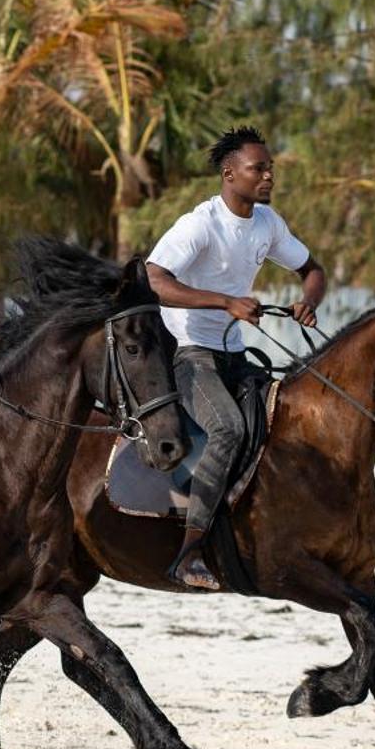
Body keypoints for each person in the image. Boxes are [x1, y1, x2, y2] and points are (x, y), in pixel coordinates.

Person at [146, 126, 326, 591]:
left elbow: (312, 269)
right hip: (190, 351)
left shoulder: (268, 223)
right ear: (230, 173)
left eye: (270, 168)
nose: (268, 176)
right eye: (258, 168)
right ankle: (189, 552)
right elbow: (155, 279)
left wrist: (309, 299)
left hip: (234, 352)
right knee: (227, 428)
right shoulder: (199, 224)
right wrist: (224, 302)